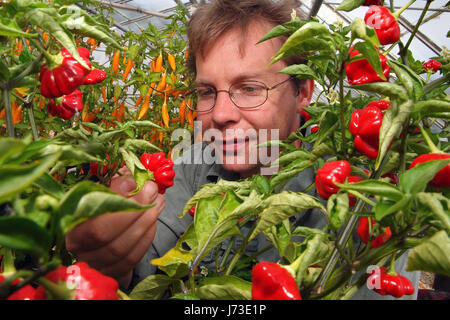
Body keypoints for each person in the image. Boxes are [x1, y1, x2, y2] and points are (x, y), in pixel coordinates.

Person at [65, 0, 419, 299]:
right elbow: (147, 267)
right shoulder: (193, 166)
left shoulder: (359, 201)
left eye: (250, 88)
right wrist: (112, 261)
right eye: (206, 92)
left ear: (303, 93)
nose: (219, 114)